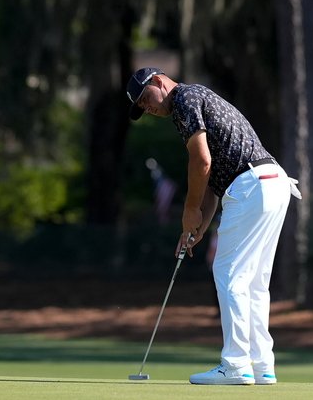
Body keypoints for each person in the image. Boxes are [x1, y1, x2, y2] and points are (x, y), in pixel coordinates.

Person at [126, 66, 300, 386]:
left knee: (229, 273)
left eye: (144, 98)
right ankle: (262, 365)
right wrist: (199, 225)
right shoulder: (198, 98)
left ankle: (235, 364)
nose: (145, 108)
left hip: (251, 185)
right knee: (254, 281)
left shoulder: (183, 99)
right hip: (272, 182)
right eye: (140, 108)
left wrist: (189, 210)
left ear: (159, 81)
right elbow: (213, 179)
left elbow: (201, 161)